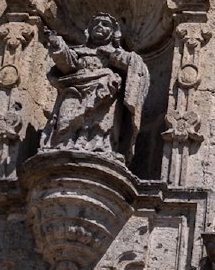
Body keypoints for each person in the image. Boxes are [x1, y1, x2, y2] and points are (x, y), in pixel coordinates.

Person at [44, 13, 149, 163]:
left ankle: (99, 146)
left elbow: (135, 65)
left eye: (105, 24)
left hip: (105, 93)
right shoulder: (79, 51)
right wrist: (58, 46)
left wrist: (112, 56)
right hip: (75, 89)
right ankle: (64, 143)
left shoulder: (116, 53)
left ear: (114, 33)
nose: (100, 26)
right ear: (89, 30)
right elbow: (67, 65)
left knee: (101, 120)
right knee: (66, 118)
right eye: (96, 24)